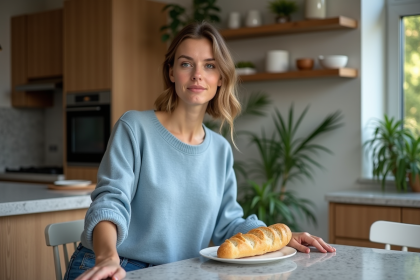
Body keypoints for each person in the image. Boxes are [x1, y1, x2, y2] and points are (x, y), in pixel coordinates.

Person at [66, 22, 335, 280]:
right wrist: (107, 257)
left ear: (220, 78)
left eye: (209, 66)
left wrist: (284, 235)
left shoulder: (220, 149)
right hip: (114, 266)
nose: (197, 74)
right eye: (186, 64)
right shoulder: (135, 127)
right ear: (171, 72)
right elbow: (110, 202)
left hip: (176, 273)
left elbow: (228, 223)